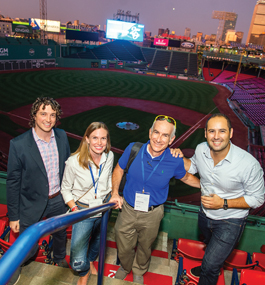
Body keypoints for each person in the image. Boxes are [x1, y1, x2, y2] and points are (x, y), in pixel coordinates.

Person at [174, 113, 265, 285]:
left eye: (222, 131)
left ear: (230, 133)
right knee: (209, 247)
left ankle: (209, 268)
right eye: (212, 131)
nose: (216, 137)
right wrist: (180, 157)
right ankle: (209, 263)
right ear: (205, 133)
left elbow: (258, 199)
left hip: (231, 221)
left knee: (211, 266)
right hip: (205, 214)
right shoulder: (201, 149)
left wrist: (223, 203)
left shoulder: (249, 164)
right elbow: (193, 166)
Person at [111, 115, 200, 284]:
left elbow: (187, 177)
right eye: (156, 132)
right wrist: (115, 192)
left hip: (153, 213)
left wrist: (205, 186)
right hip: (128, 208)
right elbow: (119, 169)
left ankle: (139, 269)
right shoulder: (134, 149)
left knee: (145, 245)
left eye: (165, 135)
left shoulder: (174, 159)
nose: (159, 139)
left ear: (172, 139)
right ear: (150, 132)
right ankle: (125, 266)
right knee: (122, 241)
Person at [6, 97, 70, 284]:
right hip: (31, 203)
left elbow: (66, 167)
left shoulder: (62, 136)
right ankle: (13, 267)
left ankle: (58, 257)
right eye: (43, 113)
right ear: (34, 115)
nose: (48, 119)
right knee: (29, 246)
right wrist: (14, 216)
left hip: (58, 199)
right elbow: (13, 182)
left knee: (60, 234)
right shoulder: (18, 144)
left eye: (52, 115)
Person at [61, 122, 114, 285]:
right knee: (76, 257)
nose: (99, 142)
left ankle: (91, 261)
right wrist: (75, 209)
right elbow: (65, 189)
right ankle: (83, 271)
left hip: (104, 207)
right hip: (83, 211)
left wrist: (113, 195)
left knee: (98, 239)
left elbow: (108, 180)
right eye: (95, 138)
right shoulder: (73, 161)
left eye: (103, 138)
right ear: (87, 139)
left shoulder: (109, 156)